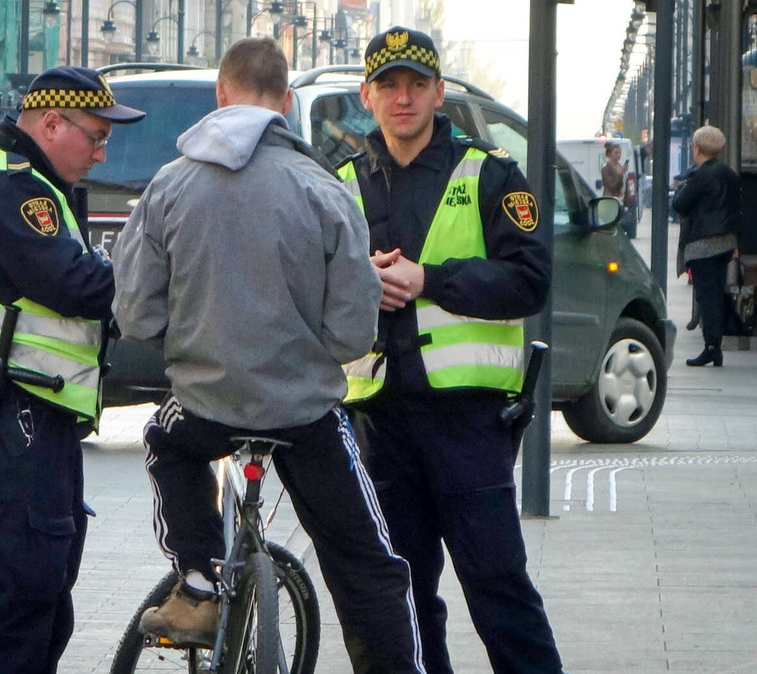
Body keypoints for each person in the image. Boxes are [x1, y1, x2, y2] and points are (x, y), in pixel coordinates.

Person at [112, 37, 427, 674]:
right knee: (370, 569)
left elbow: (136, 314)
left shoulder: (169, 187)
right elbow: (351, 332)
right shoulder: (325, 189)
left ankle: (197, 582)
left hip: (206, 406)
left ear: (220, 95)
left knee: (166, 443)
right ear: (286, 103)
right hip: (302, 415)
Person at [337, 26, 565, 674]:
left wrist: (430, 279)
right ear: (367, 95)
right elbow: (307, 291)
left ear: (439, 92)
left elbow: (531, 279)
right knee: (400, 602)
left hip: (468, 425)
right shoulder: (339, 184)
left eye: (415, 84)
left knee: (498, 588)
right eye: (388, 85)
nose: (402, 98)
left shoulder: (490, 172)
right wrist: (362, 287)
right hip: (379, 422)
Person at [0, 66, 145, 673]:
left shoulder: (32, 184)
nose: (101, 150)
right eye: (94, 135)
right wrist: (157, 277)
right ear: (49, 123)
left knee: (42, 579)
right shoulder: (7, 187)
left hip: (28, 404)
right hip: (3, 404)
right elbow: (76, 284)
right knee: (12, 582)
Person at [673, 124, 740, 367]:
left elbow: (680, 204)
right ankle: (715, 345)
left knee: (707, 295)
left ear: (698, 148)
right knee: (716, 292)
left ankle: (712, 347)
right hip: (724, 242)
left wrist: (682, 185)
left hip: (703, 244)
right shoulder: (729, 174)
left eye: (693, 146)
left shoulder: (700, 175)